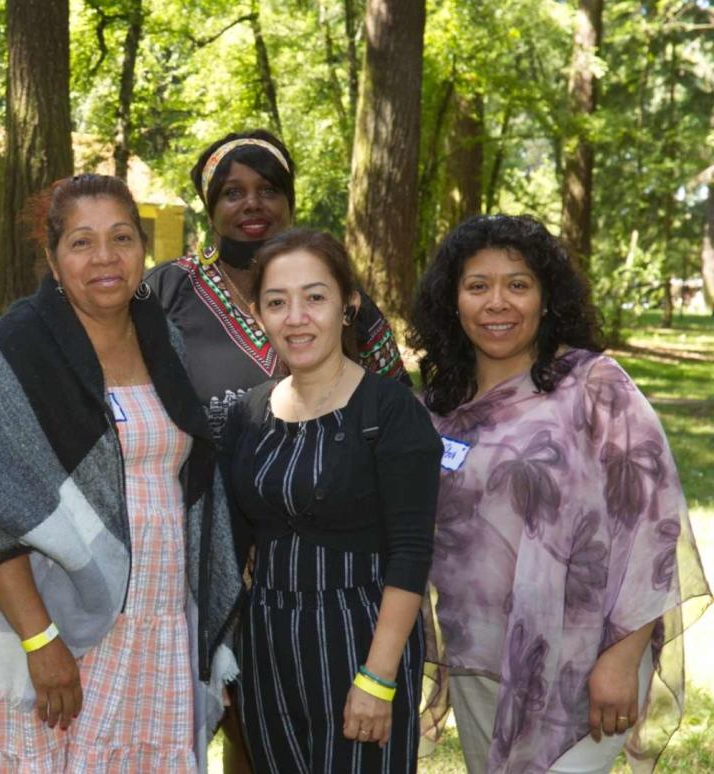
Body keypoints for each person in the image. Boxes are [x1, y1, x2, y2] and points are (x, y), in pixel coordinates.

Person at [0, 174, 243, 771]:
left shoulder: (162, 339)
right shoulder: (18, 351)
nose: (105, 258)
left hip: (153, 619)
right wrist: (41, 642)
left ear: (143, 249)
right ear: (52, 257)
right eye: (81, 242)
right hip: (49, 613)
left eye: (121, 238)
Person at [409, 215, 710, 774]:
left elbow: (653, 523)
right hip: (479, 657)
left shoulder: (595, 386)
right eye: (478, 286)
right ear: (453, 301)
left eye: (518, 285)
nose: (498, 302)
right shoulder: (435, 409)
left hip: (587, 655)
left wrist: (622, 658)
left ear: (546, 299)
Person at [219, 229, 440, 773]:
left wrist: (378, 676)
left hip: (360, 635)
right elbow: (231, 544)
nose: (297, 317)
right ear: (259, 314)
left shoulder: (389, 412)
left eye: (315, 297)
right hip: (267, 643)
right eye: (277, 302)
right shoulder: (247, 415)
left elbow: (411, 553)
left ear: (349, 306)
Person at [147, 130, 408, 437]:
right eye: (233, 193)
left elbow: (398, 410)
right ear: (210, 210)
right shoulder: (168, 288)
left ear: (290, 205)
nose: (253, 203)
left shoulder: (337, 295)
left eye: (269, 190)